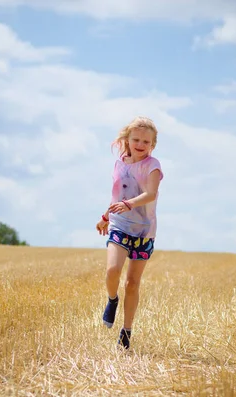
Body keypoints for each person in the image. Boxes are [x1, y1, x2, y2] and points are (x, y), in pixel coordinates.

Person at [95, 116, 164, 350]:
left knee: (132, 283)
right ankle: (112, 300)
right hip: (119, 223)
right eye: (136, 139)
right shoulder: (119, 164)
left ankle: (126, 331)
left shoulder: (152, 166)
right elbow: (117, 196)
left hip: (144, 231)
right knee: (113, 270)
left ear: (153, 145)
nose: (141, 144)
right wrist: (106, 217)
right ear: (128, 139)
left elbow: (151, 194)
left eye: (147, 141)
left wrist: (129, 204)